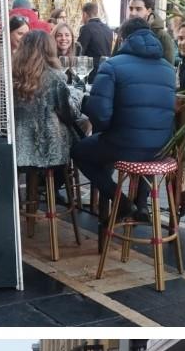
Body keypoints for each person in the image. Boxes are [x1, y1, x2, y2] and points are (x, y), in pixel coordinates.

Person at [72, 16, 176, 224]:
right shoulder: (167, 68)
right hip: (160, 149)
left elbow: (100, 115)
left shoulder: (112, 65)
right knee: (139, 145)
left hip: (124, 145)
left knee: (79, 151)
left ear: (122, 38)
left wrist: (89, 109)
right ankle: (141, 204)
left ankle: (120, 201)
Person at [13, 30, 82, 191]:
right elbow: (69, 114)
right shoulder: (54, 77)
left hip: (16, 145)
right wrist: (78, 94)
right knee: (80, 132)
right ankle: (50, 188)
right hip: (48, 148)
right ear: (49, 50)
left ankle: (36, 193)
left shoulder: (11, 75)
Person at [119, 0, 177, 64]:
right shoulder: (124, 33)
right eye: (131, 8)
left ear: (148, 11)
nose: (133, 13)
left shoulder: (162, 36)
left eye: (138, 9)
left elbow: (168, 69)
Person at [77, 1, 114, 72]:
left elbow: (80, 50)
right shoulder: (108, 28)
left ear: (84, 14)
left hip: (91, 70)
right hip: (107, 68)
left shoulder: (86, 28)